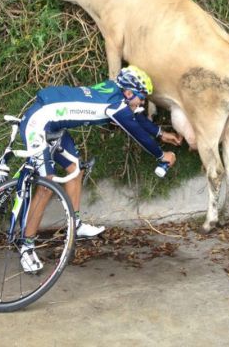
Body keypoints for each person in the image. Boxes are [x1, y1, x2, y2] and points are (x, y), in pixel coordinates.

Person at [19, 65, 182, 273]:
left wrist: (160, 133)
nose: (142, 103)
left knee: (75, 168)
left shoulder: (116, 88)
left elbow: (135, 117)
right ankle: (26, 247)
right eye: (141, 97)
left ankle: (74, 224)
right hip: (39, 122)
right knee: (46, 185)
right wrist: (161, 155)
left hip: (55, 125)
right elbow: (136, 132)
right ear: (129, 92)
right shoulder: (115, 106)